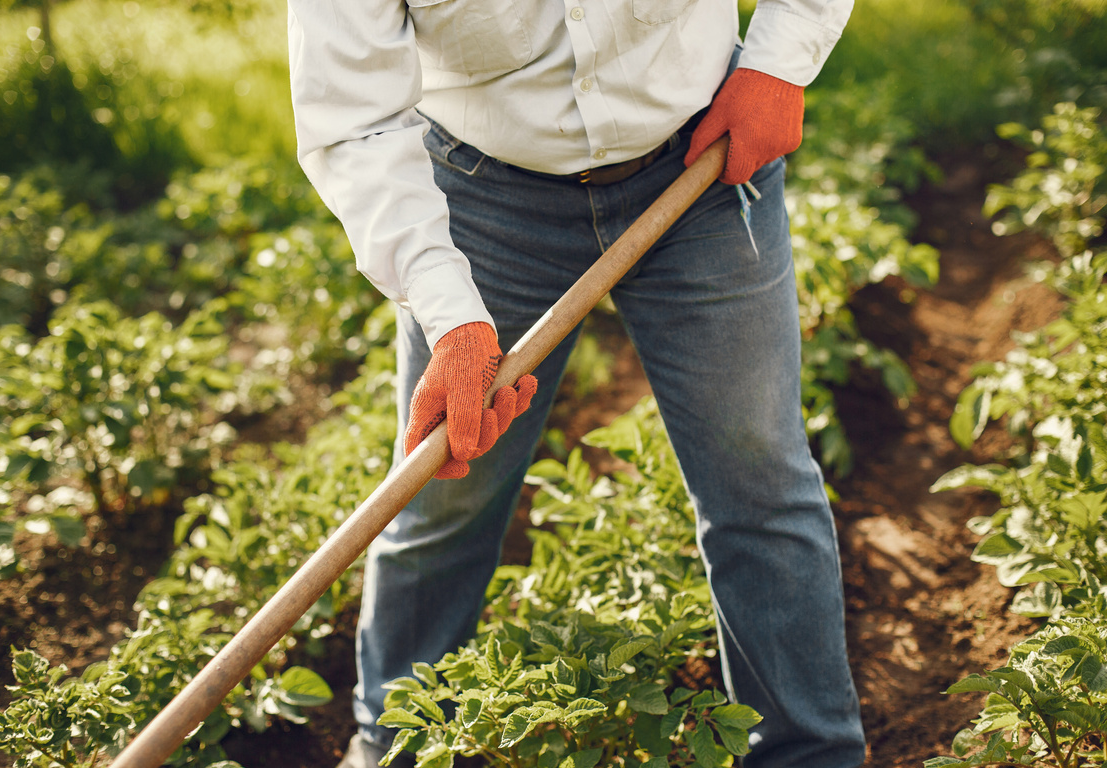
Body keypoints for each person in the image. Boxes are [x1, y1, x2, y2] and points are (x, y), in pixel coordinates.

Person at [287, 1, 865, 766]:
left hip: (701, 157)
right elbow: (353, 117)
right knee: (447, 486)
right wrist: (450, 312)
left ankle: (809, 755)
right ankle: (397, 746)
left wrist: (779, 63)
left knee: (758, 477)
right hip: (484, 195)